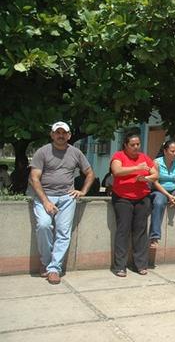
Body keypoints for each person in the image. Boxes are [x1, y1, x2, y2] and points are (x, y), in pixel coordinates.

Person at [29, 121, 95, 284]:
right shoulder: (42, 152)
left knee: (63, 233)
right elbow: (34, 178)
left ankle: (53, 269)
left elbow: (89, 173)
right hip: (45, 195)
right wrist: (45, 201)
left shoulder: (76, 152)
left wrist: (83, 191)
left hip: (67, 198)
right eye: (57, 132)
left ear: (69, 135)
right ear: (52, 134)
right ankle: (46, 261)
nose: (60, 135)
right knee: (44, 225)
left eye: (63, 133)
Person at [110, 132, 158, 277]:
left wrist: (145, 178)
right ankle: (120, 266)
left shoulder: (144, 158)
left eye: (138, 144)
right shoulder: (119, 156)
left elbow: (155, 175)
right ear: (125, 145)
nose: (136, 147)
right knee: (123, 231)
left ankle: (141, 264)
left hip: (142, 198)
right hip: (122, 198)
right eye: (132, 145)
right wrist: (137, 168)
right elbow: (117, 171)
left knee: (140, 231)